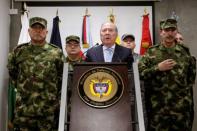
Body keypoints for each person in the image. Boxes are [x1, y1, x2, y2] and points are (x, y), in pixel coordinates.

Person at [138, 18, 196, 131]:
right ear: (161, 32)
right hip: (158, 109)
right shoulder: (151, 52)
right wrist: (157, 68)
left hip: (180, 109)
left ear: (176, 31)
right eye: (166, 30)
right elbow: (141, 74)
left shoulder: (185, 52)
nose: (169, 33)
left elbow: (191, 78)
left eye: (172, 30)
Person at [7, 17, 64, 130]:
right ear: (29, 31)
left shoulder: (56, 52)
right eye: (34, 28)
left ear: (46, 32)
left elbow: (61, 76)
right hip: (24, 110)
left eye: (41, 28)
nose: (38, 31)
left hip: (47, 111)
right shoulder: (18, 51)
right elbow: (13, 74)